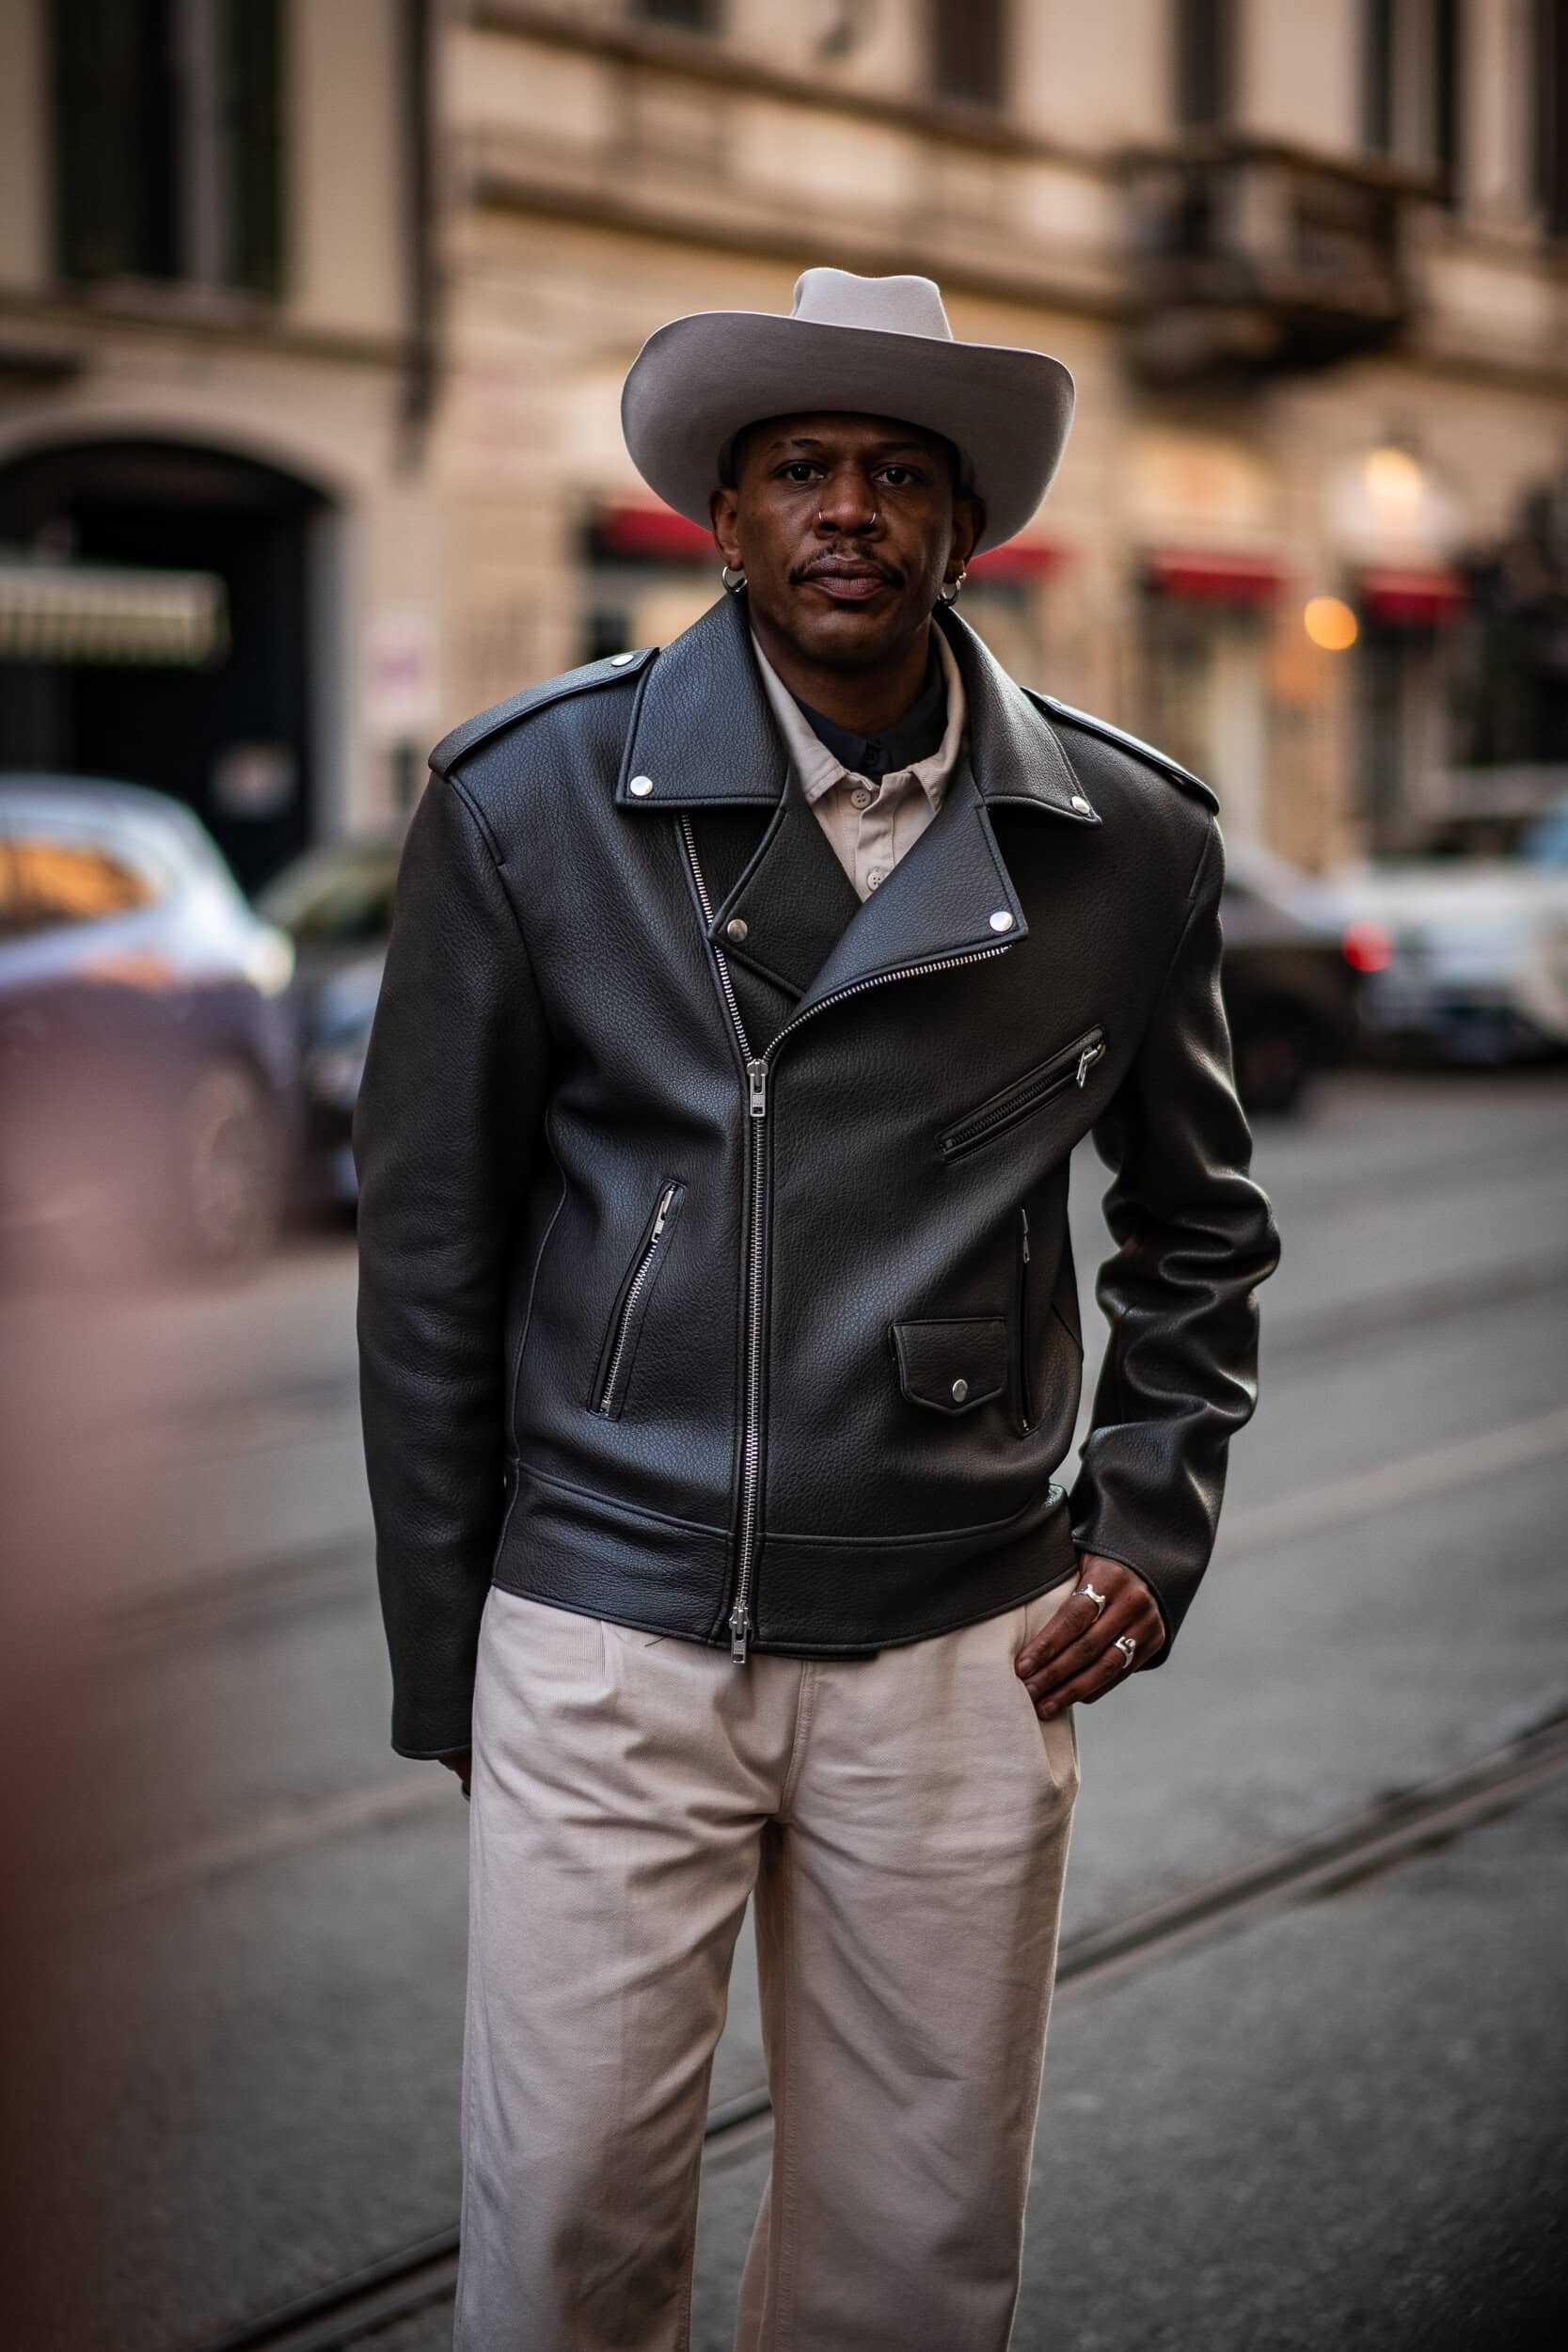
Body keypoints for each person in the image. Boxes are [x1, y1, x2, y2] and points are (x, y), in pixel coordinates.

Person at [352, 267, 1283, 2351]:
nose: (848, 510)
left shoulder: (1129, 839)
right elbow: (428, 1260)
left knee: (915, 2256)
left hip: (963, 1640)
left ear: (966, 528)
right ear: (723, 516)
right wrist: (454, 1653)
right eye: (799, 470)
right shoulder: (525, 799)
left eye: (896, 475)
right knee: (566, 2221)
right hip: (606, 1619)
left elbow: (1201, 1227)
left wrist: (1149, 1520)